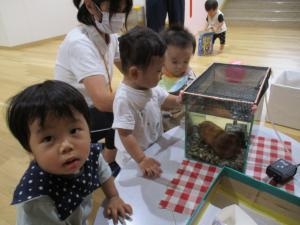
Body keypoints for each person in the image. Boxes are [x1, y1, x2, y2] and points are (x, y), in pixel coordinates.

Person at [6, 80, 132, 225]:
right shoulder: (37, 200)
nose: (66, 146)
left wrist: (113, 197)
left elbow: (103, 172)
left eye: (74, 130)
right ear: (30, 150)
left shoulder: (90, 155)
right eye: (48, 138)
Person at [55, 0, 133, 177]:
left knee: (127, 103)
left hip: (91, 107)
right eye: (115, 9)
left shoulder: (109, 36)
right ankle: (109, 160)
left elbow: (128, 70)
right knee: (122, 111)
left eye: (123, 10)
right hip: (71, 117)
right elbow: (103, 102)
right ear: (90, 6)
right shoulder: (79, 43)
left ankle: (105, 152)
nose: (120, 15)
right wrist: (141, 91)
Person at [112, 26, 182, 178]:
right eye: (158, 70)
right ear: (135, 73)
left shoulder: (149, 86)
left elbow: (165, 99)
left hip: (153, 147)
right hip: (134, 159)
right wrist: (141, 159)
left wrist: (179, 100)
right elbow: (125, 135)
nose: (162, 73)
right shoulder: (124, 99)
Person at [158, 26, 196, 130]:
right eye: (174, 61)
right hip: (161, 125)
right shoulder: (155, 75)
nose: (180, 66)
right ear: (162, 57)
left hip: (183, 123)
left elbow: (193, 97)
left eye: (186, 61)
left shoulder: (189, 76)